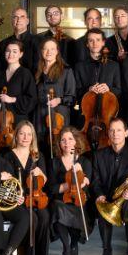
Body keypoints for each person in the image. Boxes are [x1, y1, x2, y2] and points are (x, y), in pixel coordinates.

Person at [86, 117, 128, 255]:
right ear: (108, 134)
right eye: (112, 130)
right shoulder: (98, 155)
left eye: (119, 130)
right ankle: (106, 251)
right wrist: (99, 195)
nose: (115, 133)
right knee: (103, 205)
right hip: (108, 197)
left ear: (126, 133)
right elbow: (95, 181)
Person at [6, 121, 51, 255]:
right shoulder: (8, 156)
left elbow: (44, 180)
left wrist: (41, 174)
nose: (25, 137)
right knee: (33, 218)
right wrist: (15, 196)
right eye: (22, 133)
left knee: (44, 215)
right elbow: (7, 183)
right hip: (17, 199)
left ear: (33, 137)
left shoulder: (37, 156)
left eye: (29, 134)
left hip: (34, 197)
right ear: (16, 136)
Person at [33, 37, 76, 172]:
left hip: (59, 118)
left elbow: (72, 97)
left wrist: (59, 100)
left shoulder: (66, 70)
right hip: (40, 117)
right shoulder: (37, 71)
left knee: (58, 149)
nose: (49, 52)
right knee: (41, 150)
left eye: (52, 49)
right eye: (46, 49)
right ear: (41, 52)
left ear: (57, 51)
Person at [73, 29, 120, 149]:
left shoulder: (114, 66)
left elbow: (119, 90)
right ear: (87, 44)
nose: (95, 43)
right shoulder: (79, 66)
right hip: (87, 121)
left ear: (103, 42)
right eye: (91, 40)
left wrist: (109, 89)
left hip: (106, 119)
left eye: (98, 40)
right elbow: (75, 92)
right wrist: (88, 89)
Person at [50, 126, 90, 255]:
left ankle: (74, 244)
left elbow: (87, 183)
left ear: (76, 141)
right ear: (59, 144)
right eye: (63, 140)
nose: (67, 143)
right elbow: (51, 188)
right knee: (57, 207)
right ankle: (66, 247)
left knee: (79, 207)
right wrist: (67, 184)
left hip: (79, 199)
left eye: (70, 139)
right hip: (61, 200)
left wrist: (81, 175)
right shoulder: (54, 163)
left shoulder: (84, 162)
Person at [0, 39, 37, 146]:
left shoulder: (26, 74)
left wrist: (12, 99)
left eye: (14, 51)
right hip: (0, 123)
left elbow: (32, 99)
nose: (10, 54)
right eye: (8, 51)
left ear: (21, 54)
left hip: (18, 122)